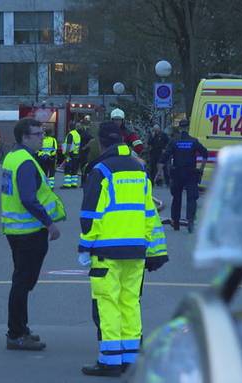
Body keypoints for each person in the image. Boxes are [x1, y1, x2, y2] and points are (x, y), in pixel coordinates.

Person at [78, 122, 168, 377]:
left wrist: (85, 246)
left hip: (106, 249)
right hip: (136, 249)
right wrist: (152, 248)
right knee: (130, 303)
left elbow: (90, 214)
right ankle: (130, 359)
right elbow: (150, 214)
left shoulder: (101, 170)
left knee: (108, 303)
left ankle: (109, 361)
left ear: (102, 143)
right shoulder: (140, 170)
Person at [1, 118, 66, 351]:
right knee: (23, 283)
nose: (42, 137)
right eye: (38, 134)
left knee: (21, 281)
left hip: (15, 230)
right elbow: (28, 198)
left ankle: (20, 329)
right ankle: (16, 333)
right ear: (25, 137)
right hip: (29, 232)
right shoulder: (26, 162)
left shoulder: (13, 157)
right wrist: (50, 224)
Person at [157, 119, 207, 233]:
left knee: (177, 198)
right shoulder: (194, 141)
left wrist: (159, 173)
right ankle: (190, 221)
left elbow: (164, 157)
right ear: (188, 128)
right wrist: (201, 169)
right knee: (191, 198)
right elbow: (205, 154)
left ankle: (175, 222)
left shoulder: (174, 141)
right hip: (191, 173)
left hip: (177, 173)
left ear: (180, 128)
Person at [63, 123, 82, 188]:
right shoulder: (77, 134)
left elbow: (68, 145)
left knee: (68, 168)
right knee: (74, 169)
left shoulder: (70, 134)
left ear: (69, 128)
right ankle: (74, 183)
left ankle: (67, 184)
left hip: (70, 154)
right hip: (76, 154)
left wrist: (66, 153)